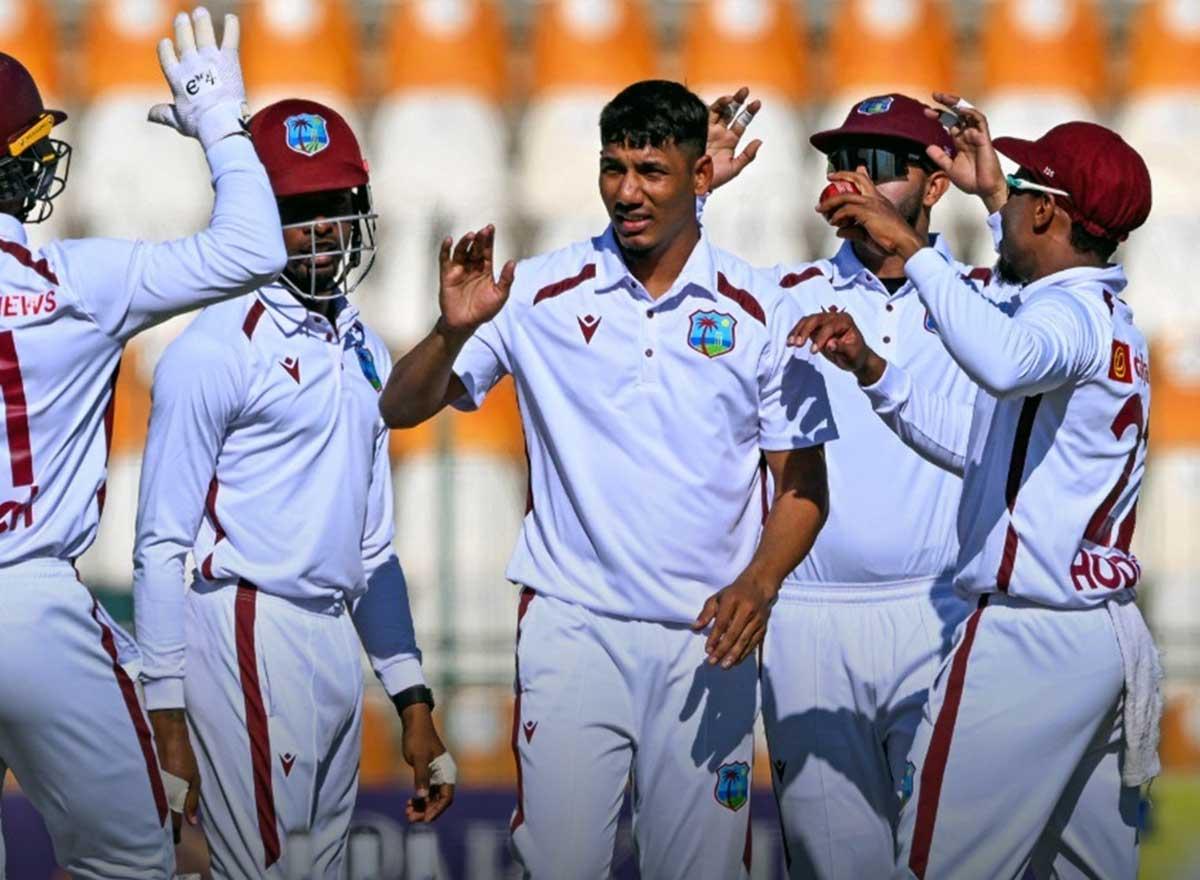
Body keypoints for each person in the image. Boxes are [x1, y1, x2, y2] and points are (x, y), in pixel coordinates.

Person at [379, 79, 835, 879]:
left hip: (710, 643)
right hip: (573, 631)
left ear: (702, 178)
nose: (628, 192)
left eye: (653, 172)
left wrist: (761, 585)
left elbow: (803, 488)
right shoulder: (536, 292)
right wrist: (450, 333)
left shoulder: (760, 308)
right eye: (613, 168)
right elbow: (401, 407)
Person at [794, 94, 1160, 879]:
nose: (1008, 194)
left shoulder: (1065, 320)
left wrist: (909, 246)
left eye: (1025, 188)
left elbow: (1002, 357)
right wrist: (872, 370)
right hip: (1097, 635)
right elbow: (974, 442)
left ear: (1050, 216)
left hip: (1027, 639)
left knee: (938, 867)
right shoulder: (1106, 316)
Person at [132, 98, 454, 879]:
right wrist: (165, 707)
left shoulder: (366, 345)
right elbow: (161, 539)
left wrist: (412, 697)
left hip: (332, 634)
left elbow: (373, 546)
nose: (322, 231)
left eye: (336, 207)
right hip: (246, 623)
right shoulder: (215, 346)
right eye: (298, 211)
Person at [0, 8, 285, 878]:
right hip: (29, 605)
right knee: (133, 861)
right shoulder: (77, 281)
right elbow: (254, 247)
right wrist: (220, 125)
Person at [705, 91, 1017, 879]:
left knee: (949, 862)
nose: (852, 177)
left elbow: (1060, 288)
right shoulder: (788, 293)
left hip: (942, 612)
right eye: (839, 160)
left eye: (877, 163)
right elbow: (682, 300)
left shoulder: (980, 298)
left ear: (934, 183)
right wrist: (695, 191)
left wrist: (1002, 198)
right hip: (811, 622)